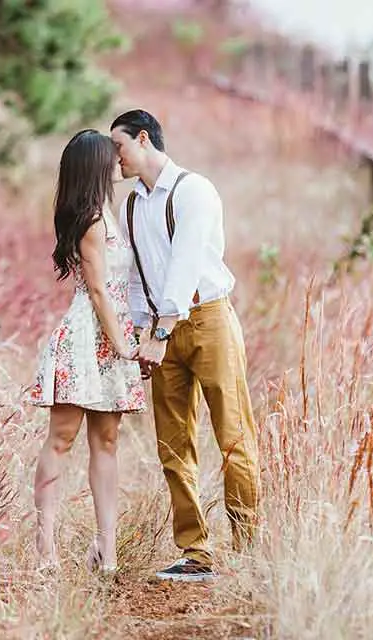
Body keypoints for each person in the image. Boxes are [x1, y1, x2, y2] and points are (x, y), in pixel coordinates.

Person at [110, 109, 260, 582]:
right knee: (173, 443)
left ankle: (248, 550)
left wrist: (159, 333)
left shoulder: (193, 190)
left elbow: (186, 264)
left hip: (207, 319)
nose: (115, 159)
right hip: (159, 332)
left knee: (232, 434)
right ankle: (196, 553)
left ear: (142, 138)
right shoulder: (130, 205)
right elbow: (136, 277)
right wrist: (141, 334)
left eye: (119, 147)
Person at [27, 128, 147, 576]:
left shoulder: (108, 214)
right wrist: (121, 344)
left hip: (110, 333)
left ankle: (106, 549)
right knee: (61, 439)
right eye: (110, 154)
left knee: (108, 442)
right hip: (88, 336)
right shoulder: (92, 219)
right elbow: (97, 289)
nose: (118, 159)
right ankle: (46, 551)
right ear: (95, 166)